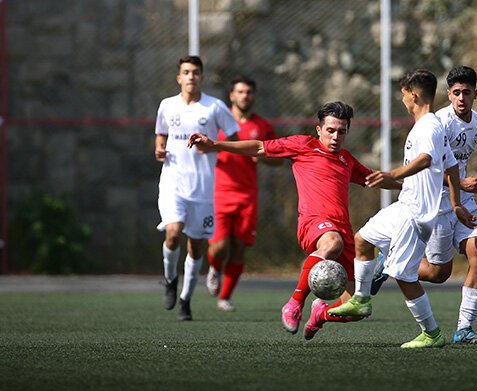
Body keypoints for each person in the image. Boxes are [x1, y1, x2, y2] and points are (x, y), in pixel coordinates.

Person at [188, 101, 401, 339]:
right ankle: (294, 303)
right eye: (331, 130)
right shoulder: (303, 145)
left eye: (342, 131)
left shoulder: (346, 160)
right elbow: (259, 147)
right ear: (319, 129)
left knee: (356, 308)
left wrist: (407, 186)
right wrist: (216, 145)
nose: (336, 136)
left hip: (342, 230)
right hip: (313, 222)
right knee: (332, 243)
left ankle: (321, 314)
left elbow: (374, 178)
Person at [329, 69, 477, 349]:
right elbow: (452, 166)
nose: (402, 100)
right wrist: (456, 203)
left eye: (403, 95)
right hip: (405, 204)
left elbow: (427, 159)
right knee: (363, 239)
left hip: (416, 213)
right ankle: (360, 300)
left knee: (404, 276)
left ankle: (432, 333)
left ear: (413, 94)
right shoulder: (431, 125)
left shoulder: (429, 127)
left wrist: (392, 174)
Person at [371, 66, 477, 344]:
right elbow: (431, 170)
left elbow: (455, 164)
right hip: (436, 204)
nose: (462, 98)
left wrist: (462, 191)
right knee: (438, 274)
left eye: (467, 93)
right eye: (456, 93)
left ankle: (464, 329)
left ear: (475, 94)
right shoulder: (437, 124)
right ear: (448, 95)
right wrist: (461, 184)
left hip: (462, 200)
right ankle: (388, 260)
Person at [154, 55, 240, 321]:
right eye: (186, 72)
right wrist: (158, 148)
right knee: (173, 232)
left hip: (203, 188)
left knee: (196, 247)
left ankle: (185, 300)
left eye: (196, 72)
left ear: (202, 77)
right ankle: (170, 280)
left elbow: (234, 138)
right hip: (173, 183)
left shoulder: (214, 107)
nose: (191, 77)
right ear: (179, 77)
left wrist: (214, 145)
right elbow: (161, 134)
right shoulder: (167, 105)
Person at [205, 76, 282, 312]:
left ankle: (225, 297)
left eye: (249, 92)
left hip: (247, 195)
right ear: (232, 95)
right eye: (240, 91)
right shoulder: (217, 121)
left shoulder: (262, 126)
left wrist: (263, 158)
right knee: (219, 246)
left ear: (254, 95)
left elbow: (277, 158)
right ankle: (215, 267)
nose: (244, 96)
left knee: (239, 247)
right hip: (219, 192)